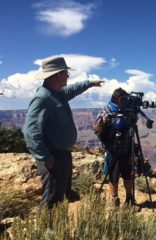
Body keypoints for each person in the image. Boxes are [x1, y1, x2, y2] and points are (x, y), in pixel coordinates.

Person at [23, 56, 104, 209]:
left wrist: (90, 83)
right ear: (57, 75)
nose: (68, 76)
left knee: (60, 196)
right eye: (66, 73)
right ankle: (46, 230)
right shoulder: (43, 97)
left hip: (62, 154)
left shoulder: (56, 93)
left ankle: (55, 228)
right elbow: (30, 131)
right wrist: (45, 157)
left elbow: (72, 90)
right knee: (51, 199)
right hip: (53, 156)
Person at [95, 88, 135, 208]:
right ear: (119, 99)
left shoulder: (127, 110)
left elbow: (132, 125)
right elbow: (96, 130)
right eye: (125, 99)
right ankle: (115, 201)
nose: (127, 101)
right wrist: (102, 123)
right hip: (113, 149)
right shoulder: (106, 110)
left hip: (128, 148)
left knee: (128, 174)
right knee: (114, 175)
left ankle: (129, 199)